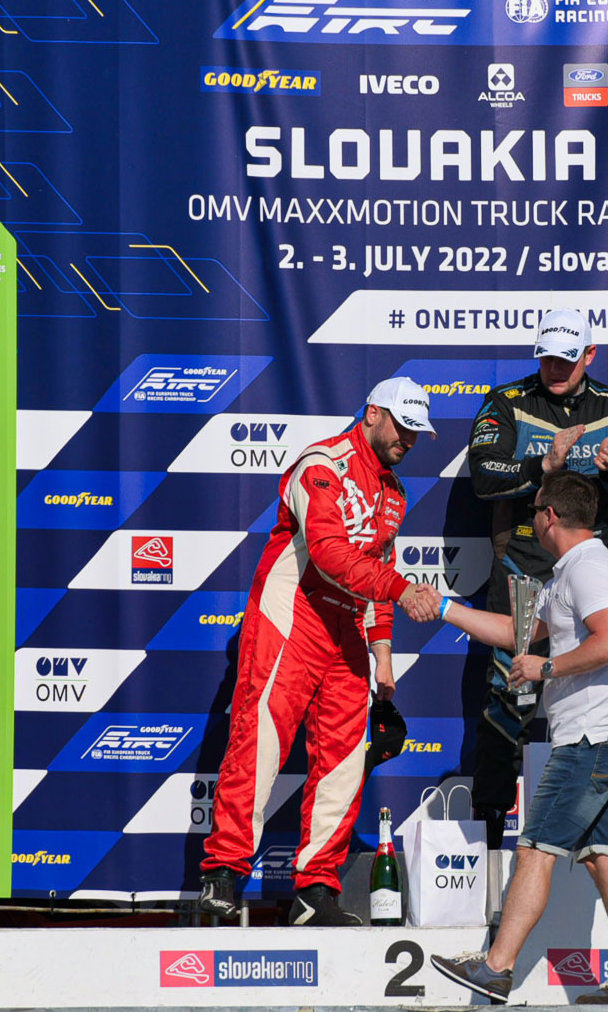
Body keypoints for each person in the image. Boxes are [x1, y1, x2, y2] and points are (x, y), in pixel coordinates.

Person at [197, 377, 444, 925]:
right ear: (373, 413)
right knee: (260, 741)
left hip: (348, 627)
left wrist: (383, 653)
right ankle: (224, 873)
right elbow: (330, 553)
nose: (409, 439)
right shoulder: (321, 463)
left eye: (417, 432)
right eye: (403, 426)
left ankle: (314, 892)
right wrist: (402, 590)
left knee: (344, 760)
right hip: (294, 612)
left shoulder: (395, 493)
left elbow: (377, 570)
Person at [430, 471, 608, 1005]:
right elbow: (518, 635)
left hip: (590, 742)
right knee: (606, 860)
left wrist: (547, 668)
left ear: (550, 516)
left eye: (534, 511)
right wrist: (444, 608)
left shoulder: (588, 569)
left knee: (535, 850)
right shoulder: (571, 573)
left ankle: (496, 967)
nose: (531, 521)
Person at [467, 309, 608, 847]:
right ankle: (490, 837)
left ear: (589, 356)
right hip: (523, 571)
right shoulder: (508, 401)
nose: (554, 368)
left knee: (598, 701)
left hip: (589, 571)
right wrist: (542, 467)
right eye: (547, 357)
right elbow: (483, 474)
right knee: (508, 704)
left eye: (566, 360)